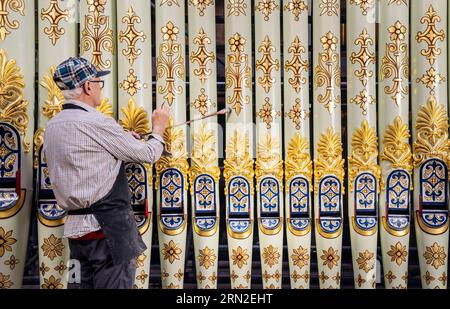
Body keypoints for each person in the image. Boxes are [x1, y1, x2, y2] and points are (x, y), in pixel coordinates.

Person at [43, 57, 170, 289]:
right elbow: (149, 154)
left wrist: (120, 140)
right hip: (108, 233)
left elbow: (83, 158)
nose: (100, 87)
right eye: (98, 82)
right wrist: (158, 128)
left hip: (76, 234)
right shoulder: (98, 122)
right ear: (87, 86)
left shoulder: (52, 127)